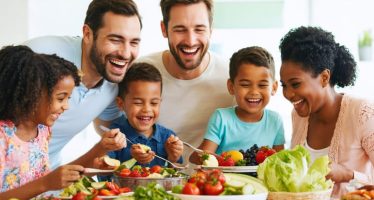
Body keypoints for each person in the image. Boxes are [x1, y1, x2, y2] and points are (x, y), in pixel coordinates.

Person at [23, 0, 142, 169]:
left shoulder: (115, 83)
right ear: (87, 34)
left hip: (48, 178)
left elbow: (113, 131)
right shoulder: (39, 55)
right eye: (116, 40)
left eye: (134, 42)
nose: (125, 53)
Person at [279, 26, 374, 197]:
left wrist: (349, 175)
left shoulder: (362, 112)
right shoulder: (299, 115)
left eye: (295, 84)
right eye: (284, 85)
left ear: (324, 77)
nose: (288, 94)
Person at [137, 0, 234, 161]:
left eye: (199, 29)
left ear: (211, 29)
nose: (190, 40)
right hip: (154, 182)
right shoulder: (139, 72)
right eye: (180, 29)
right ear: (164, 29)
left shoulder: (231, 77)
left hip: (215, 182)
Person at [0, 45, 84, 200]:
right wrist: (46, 183)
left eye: (68, 98)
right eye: (60, 98)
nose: (66, 106)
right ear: (31, 93)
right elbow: (43, 183)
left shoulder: (43, 130)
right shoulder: (3, 137)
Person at [189, 46, 285, 164]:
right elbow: (201, 157)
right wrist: (206, 157)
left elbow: (280, 162)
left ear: (274, 87)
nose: (254, 92)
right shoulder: (221, 118)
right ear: (231, 87)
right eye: (245, 84)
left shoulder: (275, 120)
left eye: (262, 85)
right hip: (226, 181)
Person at [107, 62, 183, 167]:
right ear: (121, 104)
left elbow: (178, 176)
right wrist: (131, 158)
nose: (147, 109)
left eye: (154, 103)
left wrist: (173, 158)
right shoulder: (115, 137)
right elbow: (104, 175)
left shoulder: (168, 137)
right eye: (138, 103)